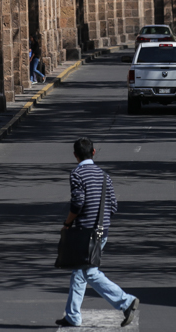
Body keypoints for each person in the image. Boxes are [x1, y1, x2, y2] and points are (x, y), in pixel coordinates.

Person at [57, 138, 139, 328]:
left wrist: (67, 223)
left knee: (89, 272)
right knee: (80, 272)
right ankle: (72, 316)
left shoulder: (77, 174)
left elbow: (77, 203)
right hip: (102, 231)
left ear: (75, 156)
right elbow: (113, 206)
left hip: (84, 233)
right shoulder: (104, 176)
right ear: (93, 152)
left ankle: (126, 302)